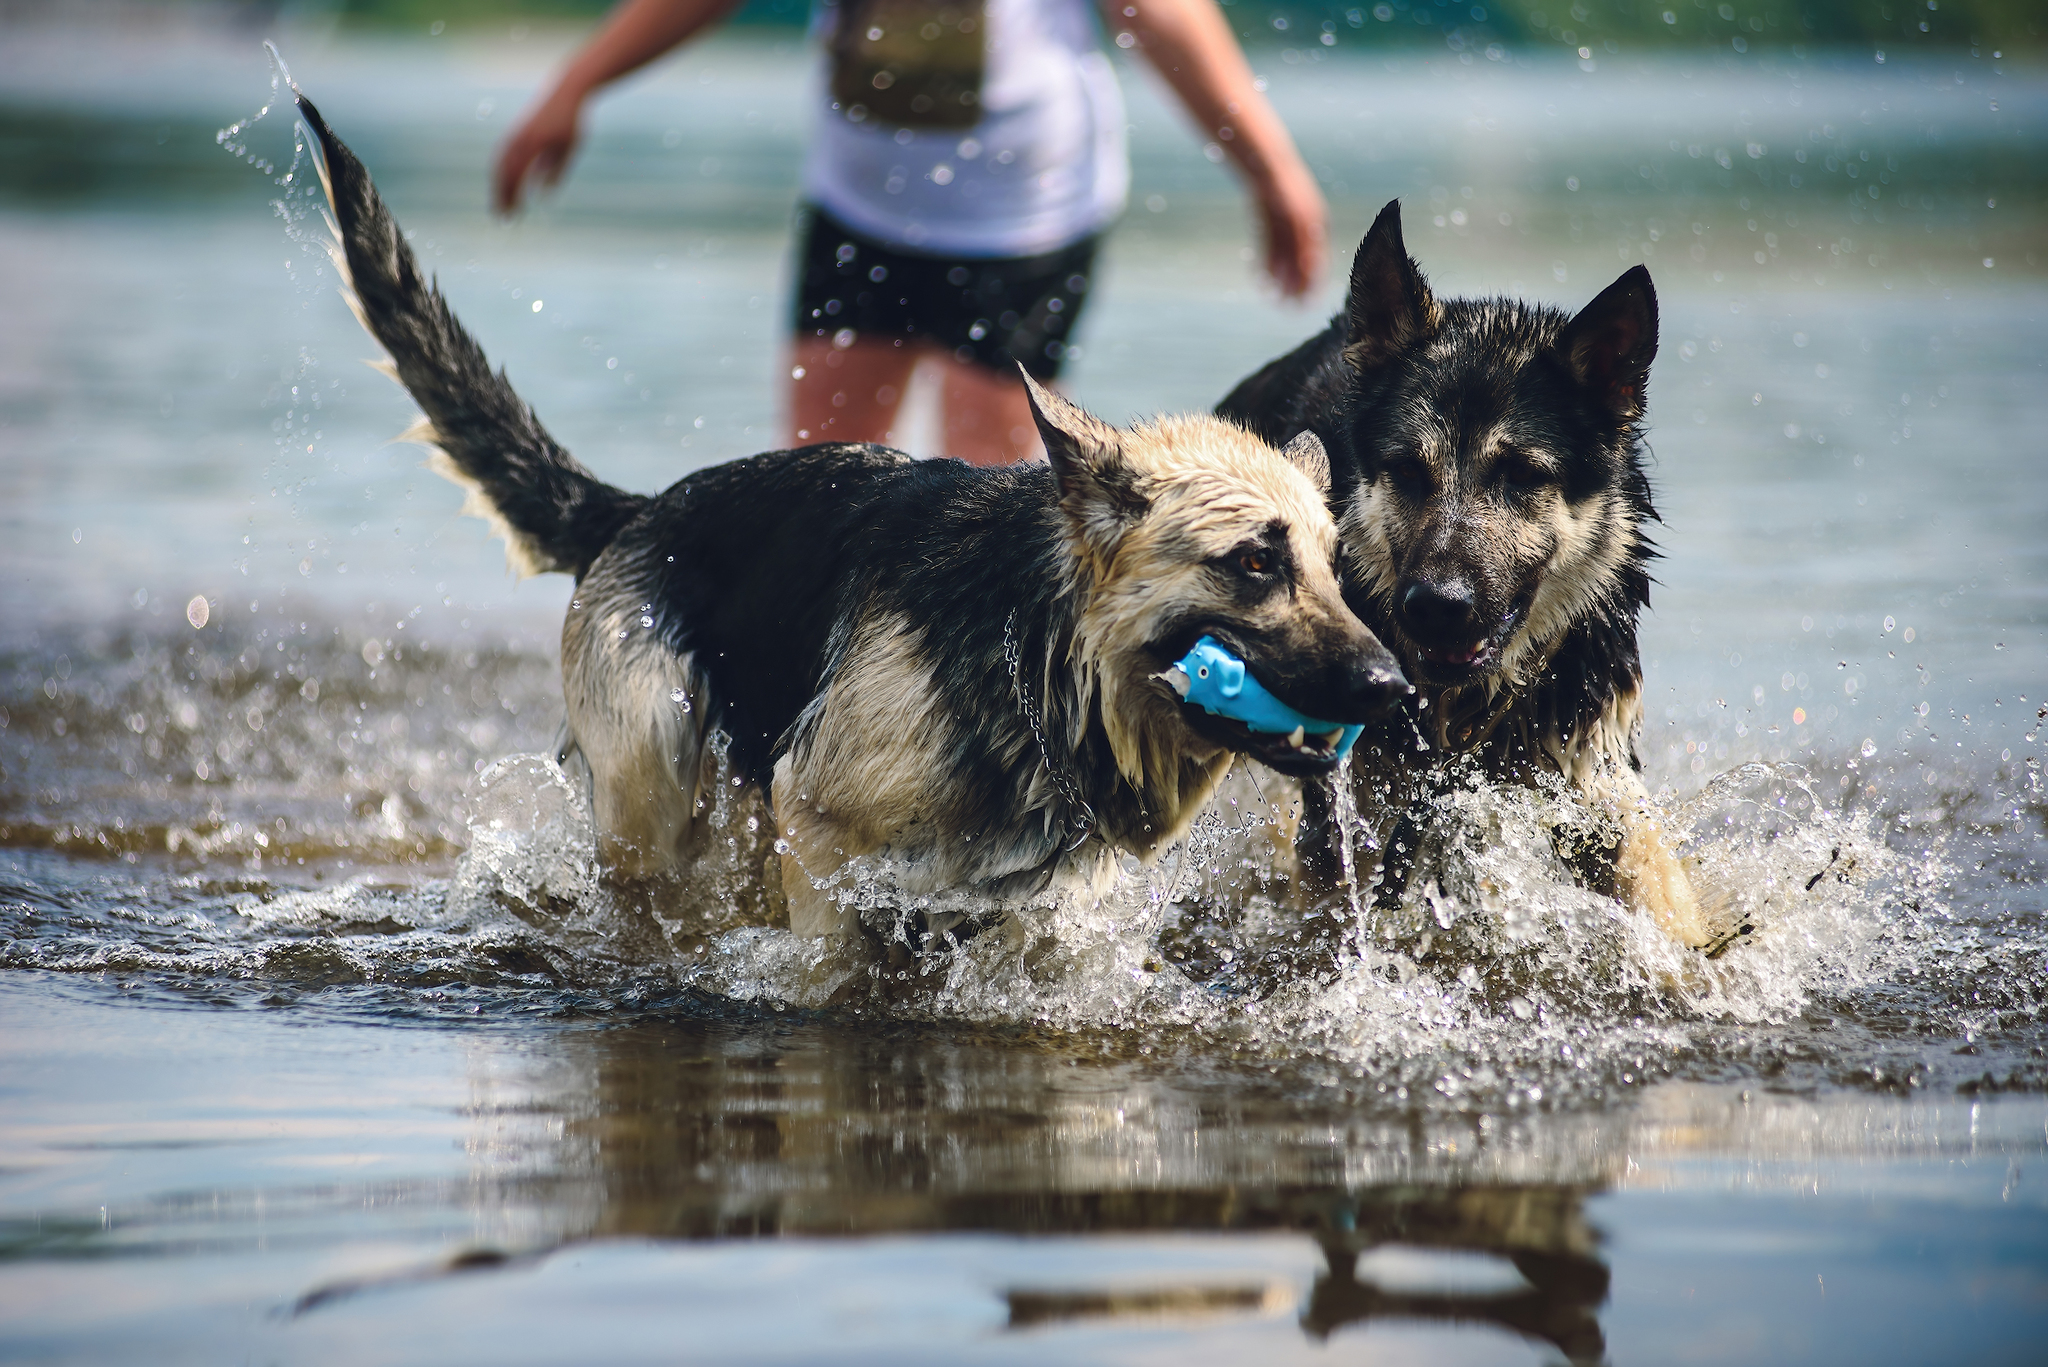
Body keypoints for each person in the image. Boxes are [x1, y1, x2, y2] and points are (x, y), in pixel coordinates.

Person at [494, 0, 1326, 465]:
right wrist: (575, 86)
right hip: (861, 202)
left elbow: (1162, 15)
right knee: (820, 478)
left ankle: (975, 720)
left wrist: (1271, 172)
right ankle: (817, 720)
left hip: (1023, 217)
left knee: (980, 482)